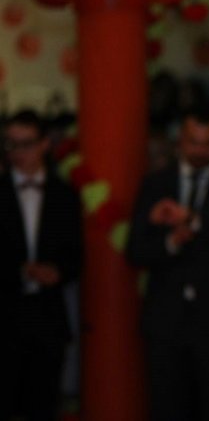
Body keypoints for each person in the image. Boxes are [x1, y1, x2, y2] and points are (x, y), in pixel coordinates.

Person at [125, 108, 209, 421]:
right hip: (166, 320)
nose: (199, 151)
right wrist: (170, 242)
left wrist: (193, 220)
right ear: (180, 141)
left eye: (207, 144)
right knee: (166, 406)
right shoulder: (157, 183)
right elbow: (135, 250)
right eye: (193, 142)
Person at [0, 109, 83, 421]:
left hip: (48, 319)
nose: (17, 153)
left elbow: (76, 257)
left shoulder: (65, 196)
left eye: (26, 144)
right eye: (11, 144)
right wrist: (20, 271)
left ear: (44, 144)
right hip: (5, 315)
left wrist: (57, 272)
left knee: (44, 405)